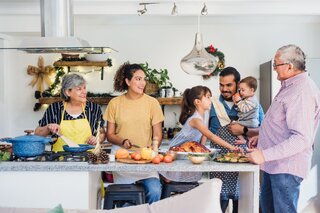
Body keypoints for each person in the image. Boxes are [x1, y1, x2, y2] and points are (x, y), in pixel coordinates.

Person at [247, 44, 320, 213]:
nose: (273, 68)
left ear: (289, 66)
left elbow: (301, 138)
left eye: (276, 64)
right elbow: (282, 124)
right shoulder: (290, 86)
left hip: (285, 169)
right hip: (274, 165)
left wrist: (263, 154)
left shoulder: (301, 91)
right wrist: (262, 136)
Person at [104, 62, 164, 204]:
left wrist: (152, 148)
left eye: (144, 79)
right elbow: (110, 134)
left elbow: (158, 134)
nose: (143, 83)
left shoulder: (152, 103)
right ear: (127, 81)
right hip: (122, 159)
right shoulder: (115, 103)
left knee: (155, 190)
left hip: (146, 161)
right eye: (138, 79)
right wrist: (122, 141)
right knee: (126, 201)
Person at [208, 67, 264, 213]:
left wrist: (244, 131)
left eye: (229, 85)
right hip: (219, 165)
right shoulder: (212, 104)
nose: (224, 89)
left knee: (244, 207)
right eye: (221, 85)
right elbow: (204, 131)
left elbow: (264, 131)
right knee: (217, 205)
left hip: (244, 162)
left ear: (238, 85)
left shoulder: (253, 105)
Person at [160, 86, 240, 183]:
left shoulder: (206, 113)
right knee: (172, 179)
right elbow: (211, 136)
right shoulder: (195, 120)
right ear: (197, 102)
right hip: (177, 149)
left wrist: (202, 148)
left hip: (189, 149)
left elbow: (204, 133)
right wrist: (231, 147)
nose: (211, 99)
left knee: (190, 177)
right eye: (207, 97)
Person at [35, 73, 105, 152]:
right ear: (67, 92)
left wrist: (97, 139)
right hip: (60, 159)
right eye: (79, 89)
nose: (84, 92)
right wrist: (48, 127)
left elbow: (102, 133)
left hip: (88, 159)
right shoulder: (54, 108)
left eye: (84, 88)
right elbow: (37, 133)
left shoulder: (94, 108)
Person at [232, 76, 259, 144]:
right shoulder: (246, 98)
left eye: (243, 90)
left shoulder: (253, 100)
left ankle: (243, 140)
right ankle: (247, 140)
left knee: (233, 125)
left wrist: (238, 101)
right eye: (240, 90)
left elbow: (244, 109)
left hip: (250, 122)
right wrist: (235, 103)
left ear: (252, 90)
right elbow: (240, 109)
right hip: (246, 121)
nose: (240, 92)